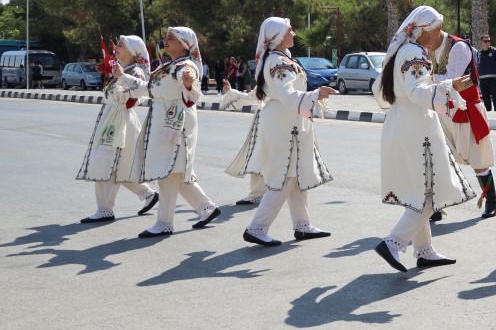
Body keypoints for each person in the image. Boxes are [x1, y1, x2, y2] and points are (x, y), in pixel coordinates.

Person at [372, 6, 478, 271]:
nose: (439, 34)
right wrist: (450, 86)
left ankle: (424, 251)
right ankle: (394, 242)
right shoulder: (415, 54)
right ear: (424, 31)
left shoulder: (404, 50)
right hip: (416, 126)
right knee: (431, 192)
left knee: (420, 190)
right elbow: (418, 92)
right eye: (437, 28)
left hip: (404, 123)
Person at [240, 17, 335, 247]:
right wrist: (315, 95)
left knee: (296, 174)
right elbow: (287, 94)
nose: (294, 33)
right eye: (290, 30)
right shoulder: (279, 62)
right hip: (285, 123)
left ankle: (302, 225)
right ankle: (257, 227)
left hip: (287, 121)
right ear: (278, 36)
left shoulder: (281, 58)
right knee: (285, 175)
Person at [129, 26, 221, 238]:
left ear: (184, 44)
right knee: (175, 171)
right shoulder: (168, 65)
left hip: (175, 123)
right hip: (164, 120)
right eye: (166, 37)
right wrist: (124, 80)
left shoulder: (185, 66)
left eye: (172, 38)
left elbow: (192, 92)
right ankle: (206, 208)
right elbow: (150, 88)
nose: (166, 40)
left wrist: (188, 84)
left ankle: (164, 223)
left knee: (168, 172)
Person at [75, 35, 159, 222]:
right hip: (111, 118)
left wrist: (121, 77)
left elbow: (138, 95)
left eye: (120, 45)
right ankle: (148, 194)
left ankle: (105, 209)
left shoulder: (134, 71)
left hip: (121, 121)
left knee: (107, 162)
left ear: (131, 51)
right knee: (118, 164)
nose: (116, 48)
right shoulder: (120, 68)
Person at [433, 29, 496, 220]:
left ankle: (492, 202)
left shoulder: (459, 47)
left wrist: (425, 78)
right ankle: (436, 205)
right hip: (445, 110)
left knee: (479, 160)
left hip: (467, 110)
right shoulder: (430, 48)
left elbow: (451, 79)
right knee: (439, 157)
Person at [477, 36, 496, 113]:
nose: (487, 43)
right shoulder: (479, 53)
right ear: (481, 42)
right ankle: (488, 113)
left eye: (489, 41)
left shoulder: (495, 51)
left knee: (495, 98)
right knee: (486, 98)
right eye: (485, 41)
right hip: (482, 79)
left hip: (493, 79)